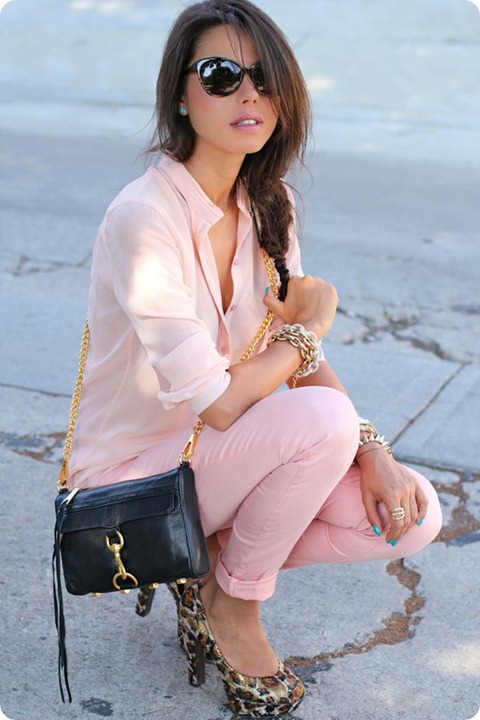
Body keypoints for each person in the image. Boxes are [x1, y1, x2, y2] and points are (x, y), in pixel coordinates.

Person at [68, 0, 442, 715]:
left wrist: (374, 452)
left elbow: (291, 361)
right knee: (321, 422)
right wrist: (311, 332)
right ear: (181, 95)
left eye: (265, 78)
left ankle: (211, 571)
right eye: (221, 75)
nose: (249, 94)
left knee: (408, 514)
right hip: (133, 480)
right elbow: (219, 401)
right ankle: (235, 604)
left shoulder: (271, 205)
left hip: (228, 456)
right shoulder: (144, 217)